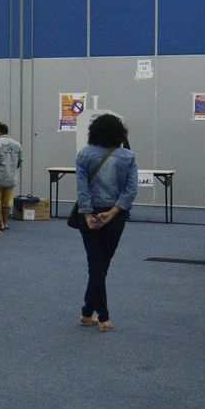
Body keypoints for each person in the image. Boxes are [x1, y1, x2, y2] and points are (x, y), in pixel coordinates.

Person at [73, 114, 138, 331]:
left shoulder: (84, 154)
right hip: (115, 215)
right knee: (102, 264)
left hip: (88, 215)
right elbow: (131, 190)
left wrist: (88, 213)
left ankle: (86, 313)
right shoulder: (128, 156)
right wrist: (112, 213)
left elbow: (82, 189)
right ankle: (103, 316)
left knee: (96, 264)